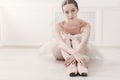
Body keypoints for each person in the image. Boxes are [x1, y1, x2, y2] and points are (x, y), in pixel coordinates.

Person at [52, 0, 91, 77]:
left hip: (80, 49)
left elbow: (84, 42)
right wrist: (76, 54)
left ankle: (80, 65)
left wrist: (75, 54)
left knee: (75, 39)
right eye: (66, 12)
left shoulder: (86, 25)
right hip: (62, 51)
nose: (70, 15)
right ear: (63, 13)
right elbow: (60, 43)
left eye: (73, 10)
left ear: (77, 10)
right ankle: (72, 65)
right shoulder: (58, 25)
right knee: (66, 39)